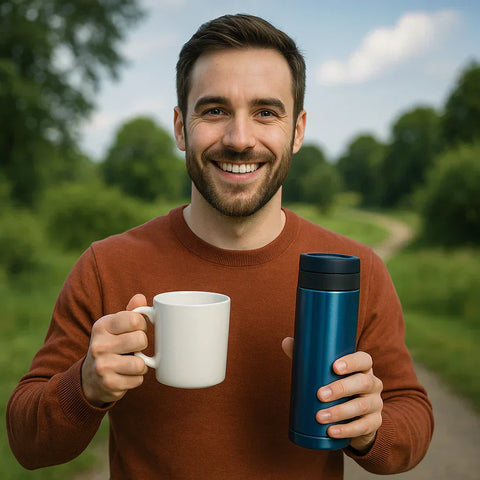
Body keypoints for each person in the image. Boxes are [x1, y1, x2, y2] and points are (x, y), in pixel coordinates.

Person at [6, 14, 433, 479]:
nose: (240, 138)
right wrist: (84, 386)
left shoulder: (356, 271)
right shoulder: (107, 266)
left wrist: (371, 428)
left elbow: (410, 420)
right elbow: (28, 444)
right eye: (214, 111)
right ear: (180, 127)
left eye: (266, 112)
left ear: (298, 130)